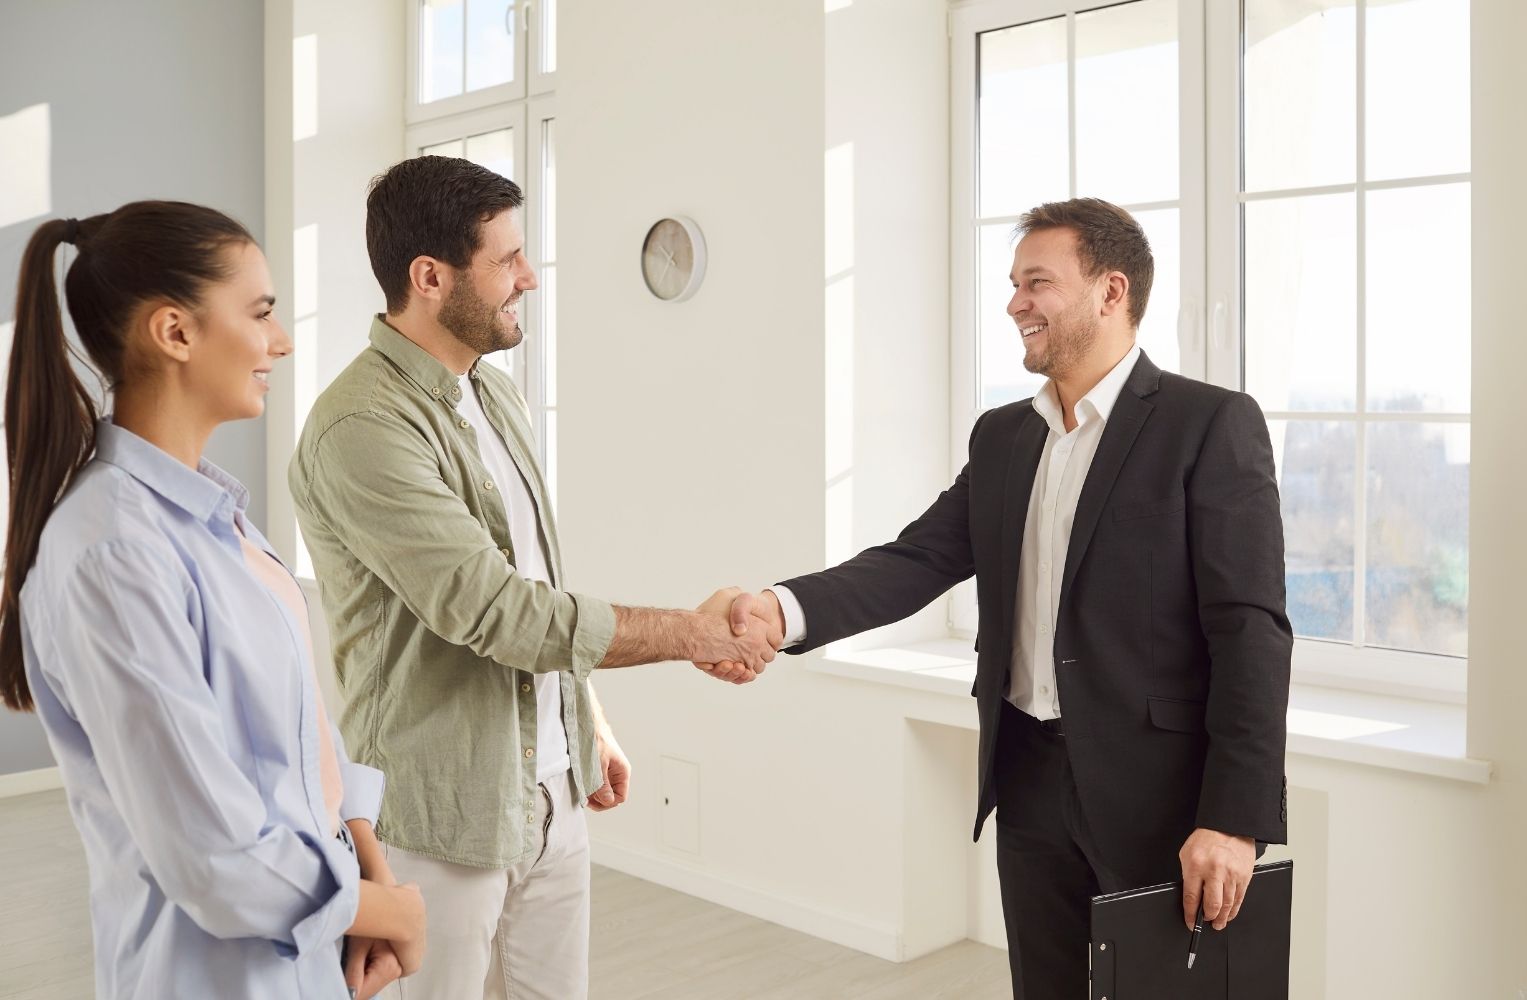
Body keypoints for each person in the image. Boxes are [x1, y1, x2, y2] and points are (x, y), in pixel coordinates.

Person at [717, 198, 1292, 999]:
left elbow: (1250, 631)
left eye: (1036, 282)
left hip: (1159, 794)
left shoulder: (1208, 424)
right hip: (1026, 779)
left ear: (1110, 291)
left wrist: (1232, 818)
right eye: (1013, 283)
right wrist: (782, 612)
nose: (1015, 302)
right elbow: (916, 559)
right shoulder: (1002, 435)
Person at [289, 156, 777, 1000]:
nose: (531, 279)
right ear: (430, 277)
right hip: (439, 818)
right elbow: (495, 613)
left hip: (550, 789)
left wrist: (584, 716)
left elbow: (535, 579)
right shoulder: (361, 425)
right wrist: (696, 632)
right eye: (507, 260)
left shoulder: (496, 396)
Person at [0, 202, 427, 999]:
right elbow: (213, 857)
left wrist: (366, 861)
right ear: (176, 332)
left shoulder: (215, 517)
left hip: (308, 952)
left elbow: (299, 740)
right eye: (261, 312)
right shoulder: (113, 551)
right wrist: (389, 912)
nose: (283, 340)